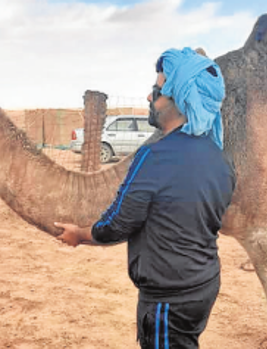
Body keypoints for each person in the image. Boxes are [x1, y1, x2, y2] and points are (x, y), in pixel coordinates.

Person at [54, 47, 236, 349]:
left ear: (179, 100)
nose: (150, 98)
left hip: (170, 298)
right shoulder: (220, 159)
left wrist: (81, 235)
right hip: (202, 284)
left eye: (157, 90)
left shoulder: (154, 157)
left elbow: (117, 224)